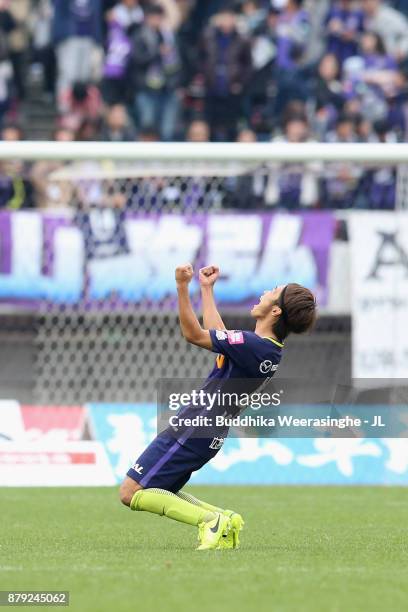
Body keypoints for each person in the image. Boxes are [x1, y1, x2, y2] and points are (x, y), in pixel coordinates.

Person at [119, 263, 316, 550]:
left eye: (272, 292)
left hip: (195, 425)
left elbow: (195, 334)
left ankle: (211, 520)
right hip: (209, 432)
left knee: (131, 491)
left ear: (276, 311)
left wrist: (182, 288)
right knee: (162, 489)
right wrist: (207, 289)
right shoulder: (266, 349)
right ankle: (225, 519)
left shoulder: (254, 345)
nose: (264, 293)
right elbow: (220, 335)